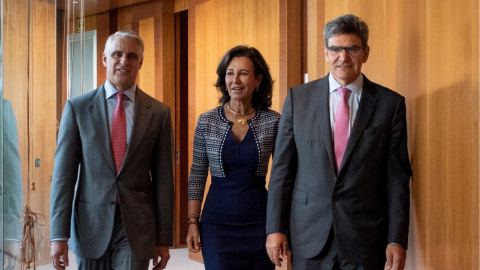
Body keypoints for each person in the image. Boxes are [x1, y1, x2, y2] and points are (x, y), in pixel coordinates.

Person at [266, 14, 412, 270]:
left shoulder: (390, 105)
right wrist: (275, 228)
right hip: (308, 236)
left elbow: (397, 178)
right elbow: (282, 170)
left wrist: (396, 239)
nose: (343, 57)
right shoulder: (298, 99)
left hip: (365, 238)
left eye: (352, 49)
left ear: (365, 53)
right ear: (325, 52)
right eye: (335, 48)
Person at [49, 31, 174, 270]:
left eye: (131, 55)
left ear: (140, 62)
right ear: (105, 59)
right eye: (117, 54)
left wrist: (164, 239)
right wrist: (58, 235)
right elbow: (64, 177)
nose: (124, 61)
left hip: (136, 226)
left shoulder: (159, 113)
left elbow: (164, 181)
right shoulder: (78, 108)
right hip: (90, 224)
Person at [186, 45, 280, 270]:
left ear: (258, 80)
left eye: (243, 73)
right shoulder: (206, 121)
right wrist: (192, 222)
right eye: (230, 73)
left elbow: (283, 177)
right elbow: (197, 175)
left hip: (260, 221)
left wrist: (280, 227)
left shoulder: (273, 121)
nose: (235, 80)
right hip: (217, 223)